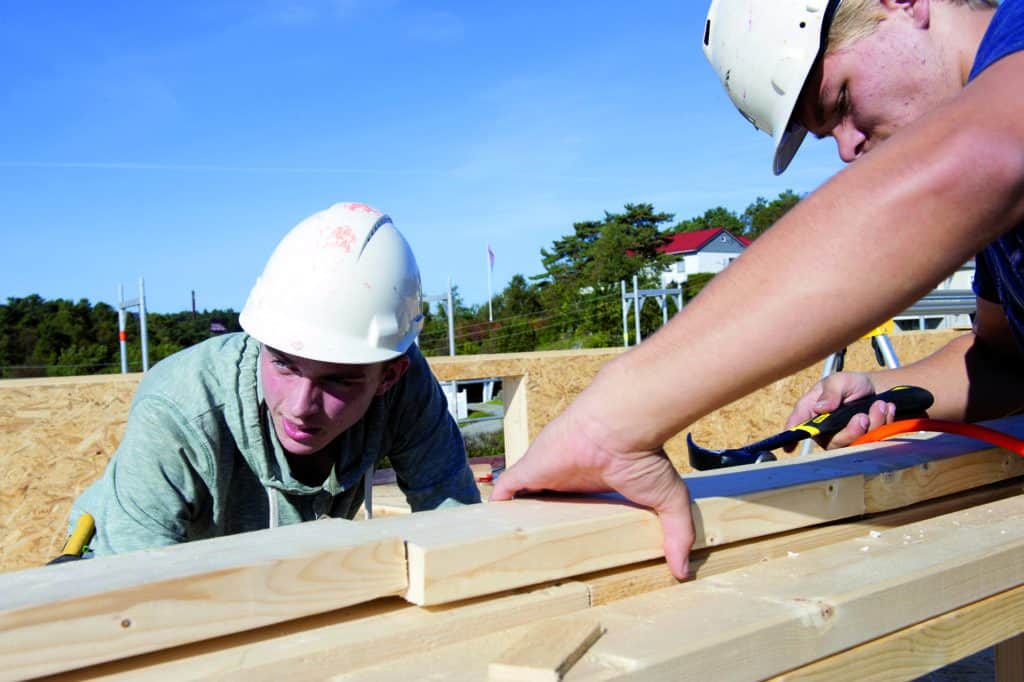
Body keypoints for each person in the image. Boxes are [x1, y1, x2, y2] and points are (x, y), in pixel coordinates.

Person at [492, 0, 1023, 582]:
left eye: (841, 101)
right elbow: (1004, 359)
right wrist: (886, 386)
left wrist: (609, 420)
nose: (846, 150)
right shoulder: (1001, 229)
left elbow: (986, 158)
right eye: (829, 133)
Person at [66, 202, 480, 556]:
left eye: (338, 381)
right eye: (284, 365)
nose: (300, 406)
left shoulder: (403, 385)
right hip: (133, 566)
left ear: (389, 375)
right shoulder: (179, 408)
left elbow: (455, 525)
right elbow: (135, 597)